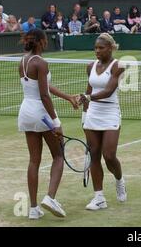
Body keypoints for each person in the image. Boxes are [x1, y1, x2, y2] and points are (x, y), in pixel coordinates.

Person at [18, 29, 79, 219]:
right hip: (41, 113)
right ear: (41, 42)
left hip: (26, 113)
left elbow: (42, 86)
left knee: (33, 160)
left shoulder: (22, 61)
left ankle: (34, 209)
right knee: (59, 155)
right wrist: (56, 122)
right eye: (45, 41)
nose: (46, 43)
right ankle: (50, 197)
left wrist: (67, 96)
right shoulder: (42, 63)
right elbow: (44, 95)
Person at [80, 33, 127, 210]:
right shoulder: (90, 66)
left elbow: (108, 91)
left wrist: (88, 97)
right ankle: (99, 198)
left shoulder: (118, 66)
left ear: (110, 48)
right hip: (92, 114)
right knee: (94, 155)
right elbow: (89, 88)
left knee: (109, 156)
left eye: (101, 48)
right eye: (95, 48)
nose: (97, 51)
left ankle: (119, 179)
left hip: (110, 112)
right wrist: (85, 114)